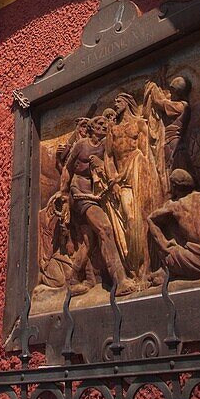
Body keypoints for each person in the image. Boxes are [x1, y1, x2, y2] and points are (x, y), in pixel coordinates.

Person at [57, 115, 138, 296]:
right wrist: (63, 194)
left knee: (88, 242)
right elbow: (67, 168)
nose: (103, 127)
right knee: (105, 228)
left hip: (95, 194)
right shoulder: (81, 145)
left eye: (104, 124)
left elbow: (109, 164)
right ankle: (120, 280)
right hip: (79, 194)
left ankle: (72, 280)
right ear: (92, 128)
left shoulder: (105, 146)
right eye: (99, 124)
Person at [104, 93, 162, 282]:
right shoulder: (113, 129)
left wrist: (149, 181)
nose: (116, 104)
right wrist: (112, 180)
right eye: (115, 101)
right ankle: (133, 267)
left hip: (139, 172)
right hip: (120, 179)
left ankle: (146, 267)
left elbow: (146, 154)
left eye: (119, 101)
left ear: (128, 103)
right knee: (129, 217)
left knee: (143, 217)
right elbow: (108, 157)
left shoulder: (139, 124)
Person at [147, 169, 200, 282]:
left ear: (175, 187)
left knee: (170, 251)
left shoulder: (175, 206)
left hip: (196, 258)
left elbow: (151, 218)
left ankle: (167, 269)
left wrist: (165, 246)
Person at [144, 74, 192, 193]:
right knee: (169, 170)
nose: (170, 95)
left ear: (178, 92)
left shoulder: (182, 106)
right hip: (169, 142)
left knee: (176, 169)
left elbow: (158, 102)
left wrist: (152, 87)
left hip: (175, 142)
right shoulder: (177, 104)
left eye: (172, 91)